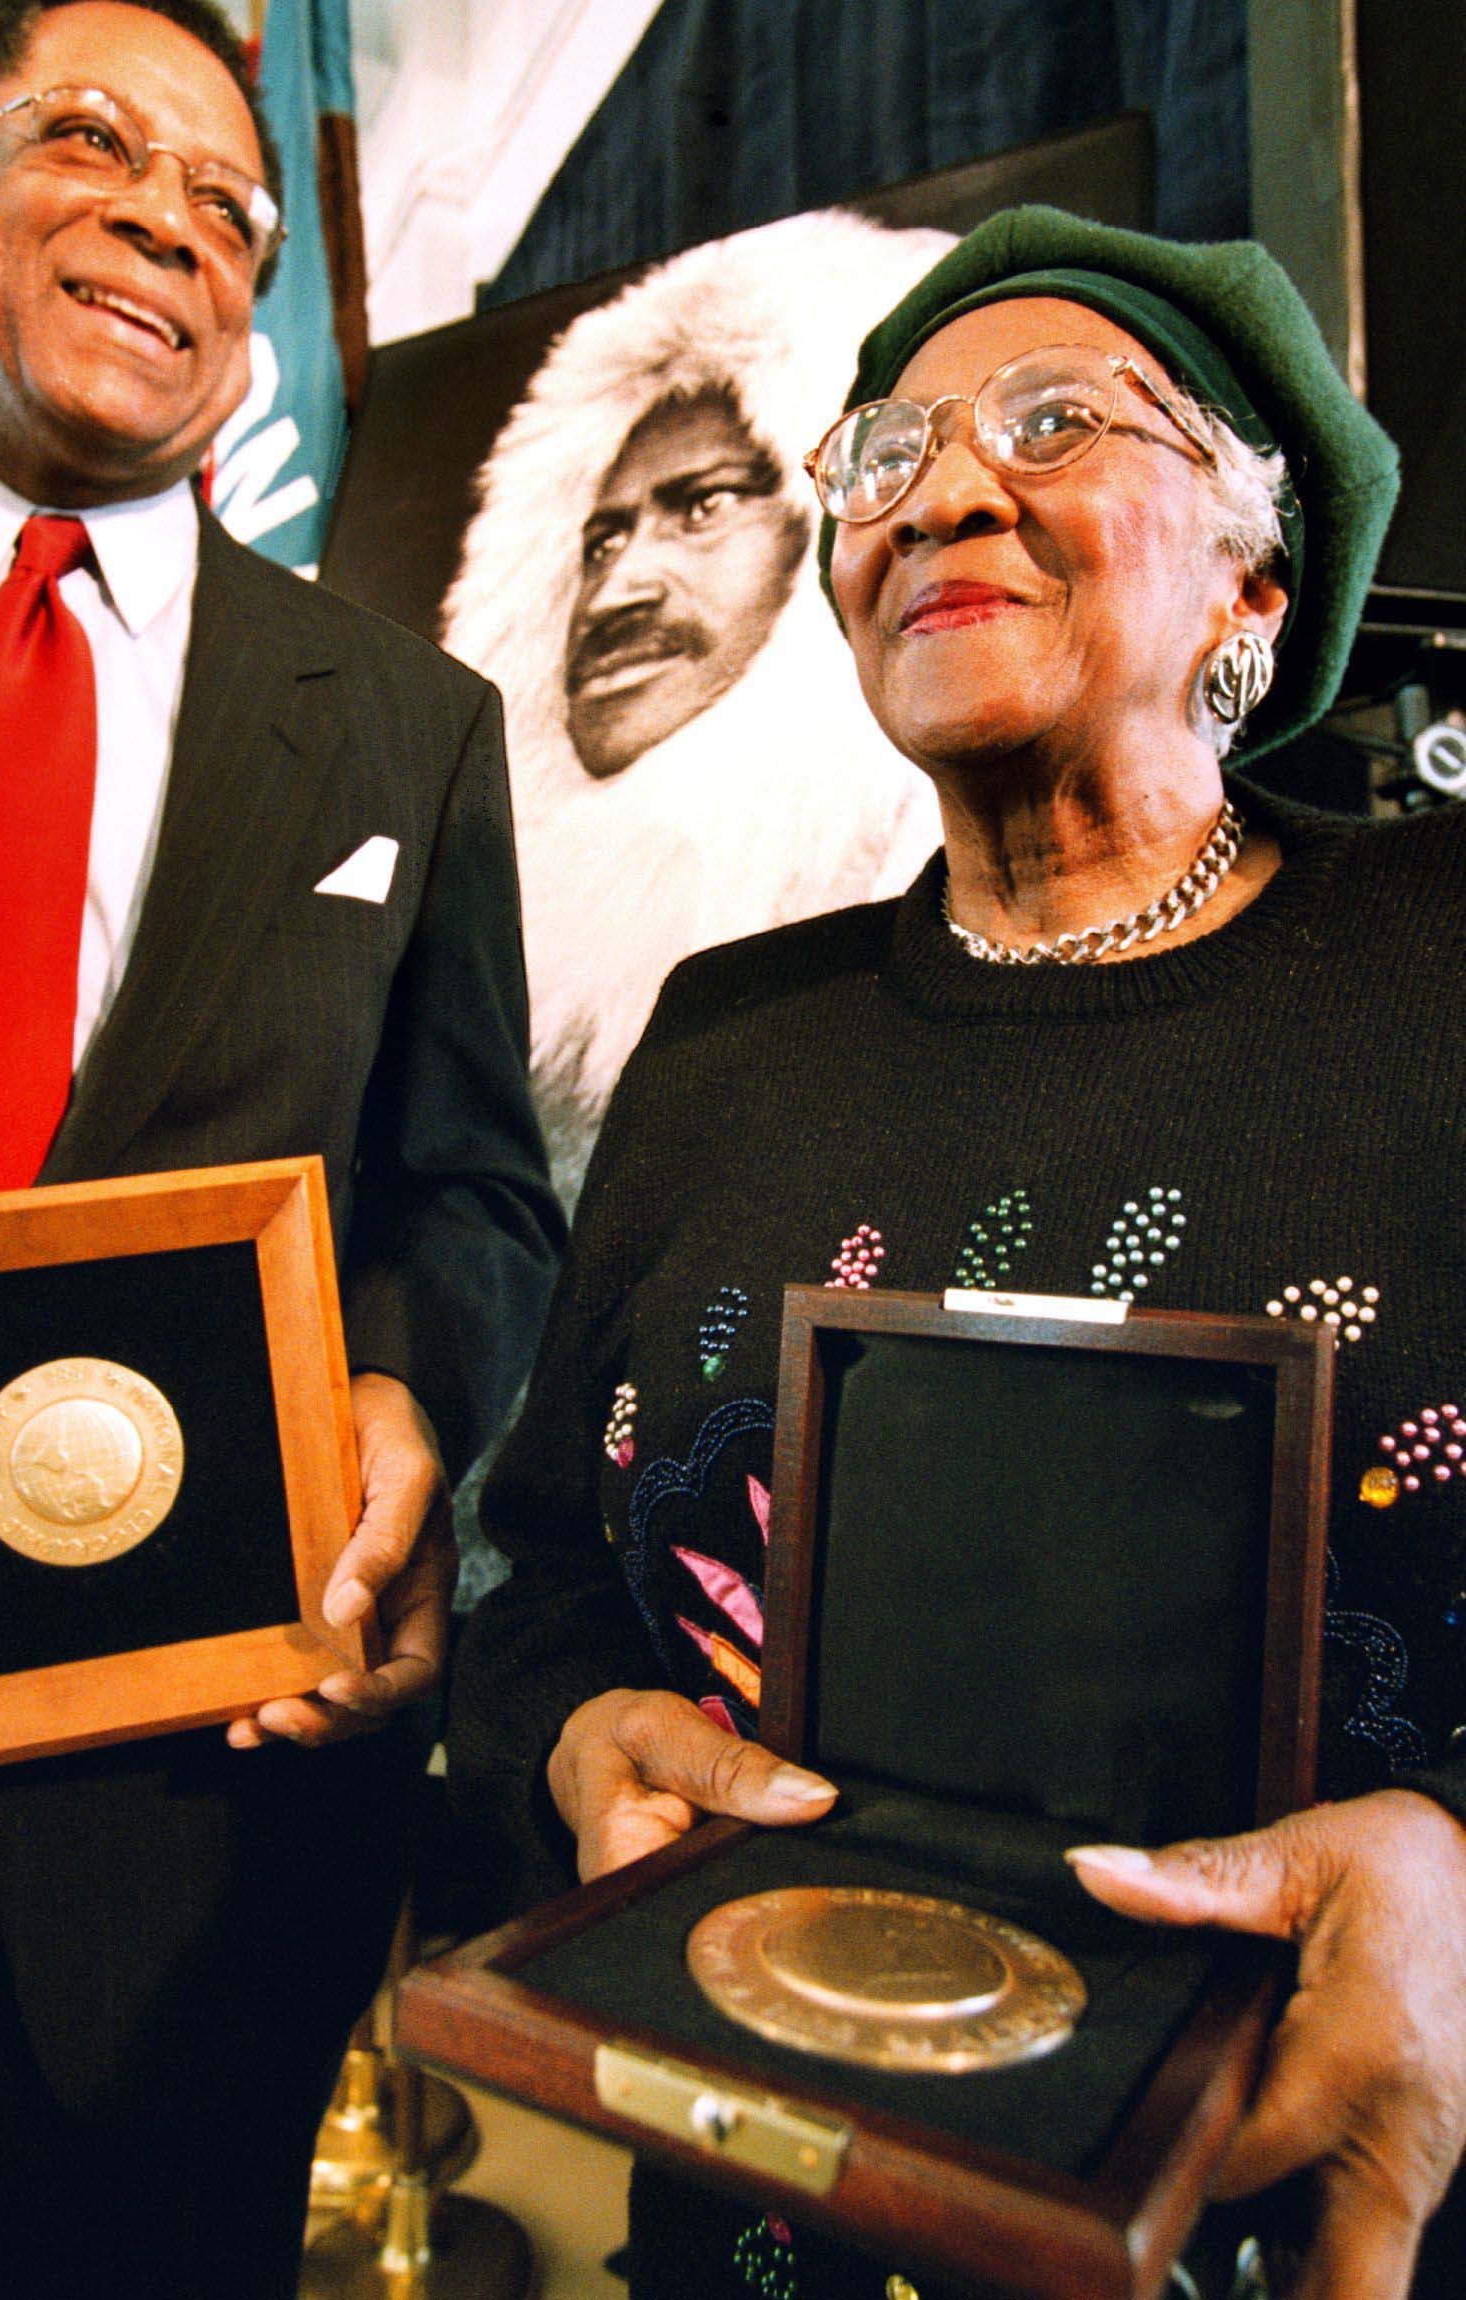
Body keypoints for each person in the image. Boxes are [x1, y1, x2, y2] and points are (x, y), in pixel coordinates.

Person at [450, 205, 1466, 2300]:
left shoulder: (1437, 964)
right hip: (761, 2216)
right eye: (882, 452)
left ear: (1252, 580)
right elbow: (539, 1570)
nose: (944, 489)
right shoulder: (730, 1033)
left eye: (1054, 419)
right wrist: (578, 1735)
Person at [0, 3, 561, 2295]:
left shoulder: (408, 724)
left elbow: (473, 1186)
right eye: (91, 139)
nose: (175, 215)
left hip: (206, 1826)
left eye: (236, 205)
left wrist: (405, 1393)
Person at [440, 210, 948, 1208]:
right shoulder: (484, 1000)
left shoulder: (931, 933)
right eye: (597, 541)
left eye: (704, 505)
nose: (615, 588)